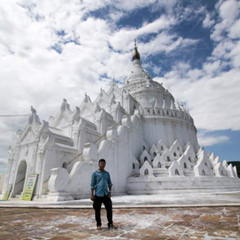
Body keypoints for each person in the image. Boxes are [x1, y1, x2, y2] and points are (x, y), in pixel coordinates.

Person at [90, 159, 116, 230]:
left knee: (109, 209)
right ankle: (98, 224)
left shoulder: (107, 173)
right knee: (97, 210)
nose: (102, 165)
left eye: (103, 164)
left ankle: (110, 224)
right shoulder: (95, 174)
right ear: (98, 164)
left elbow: (109, 183)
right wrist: (92, 195)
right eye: (101, 163)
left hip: (106, 194)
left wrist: (109, 192)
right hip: (98, 194)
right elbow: (92, 185)